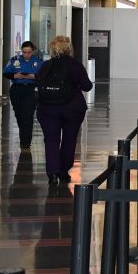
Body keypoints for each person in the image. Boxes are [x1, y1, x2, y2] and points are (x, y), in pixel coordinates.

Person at [36, 35, 93, 185]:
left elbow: (38, 83)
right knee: (69, 139)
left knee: (51, 140)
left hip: (47, 109)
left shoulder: (46, 66)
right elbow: (87, 86)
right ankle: (63, 171)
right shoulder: (75, 65)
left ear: (53, 48)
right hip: (72, 109)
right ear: (69, 48)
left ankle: (52, 173)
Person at [2, 40, 44, 150]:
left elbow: (44, 76)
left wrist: (33, 77)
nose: (26, 54)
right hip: (17, 90)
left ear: (33, 51)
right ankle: (24, 135)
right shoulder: (15, 60)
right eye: (24, 52)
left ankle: (26, 141)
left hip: (31, 90)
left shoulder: (39, 61)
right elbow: (6, 73)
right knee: (19, 115)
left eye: (29, 52)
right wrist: (15, 76)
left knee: (28, 116)